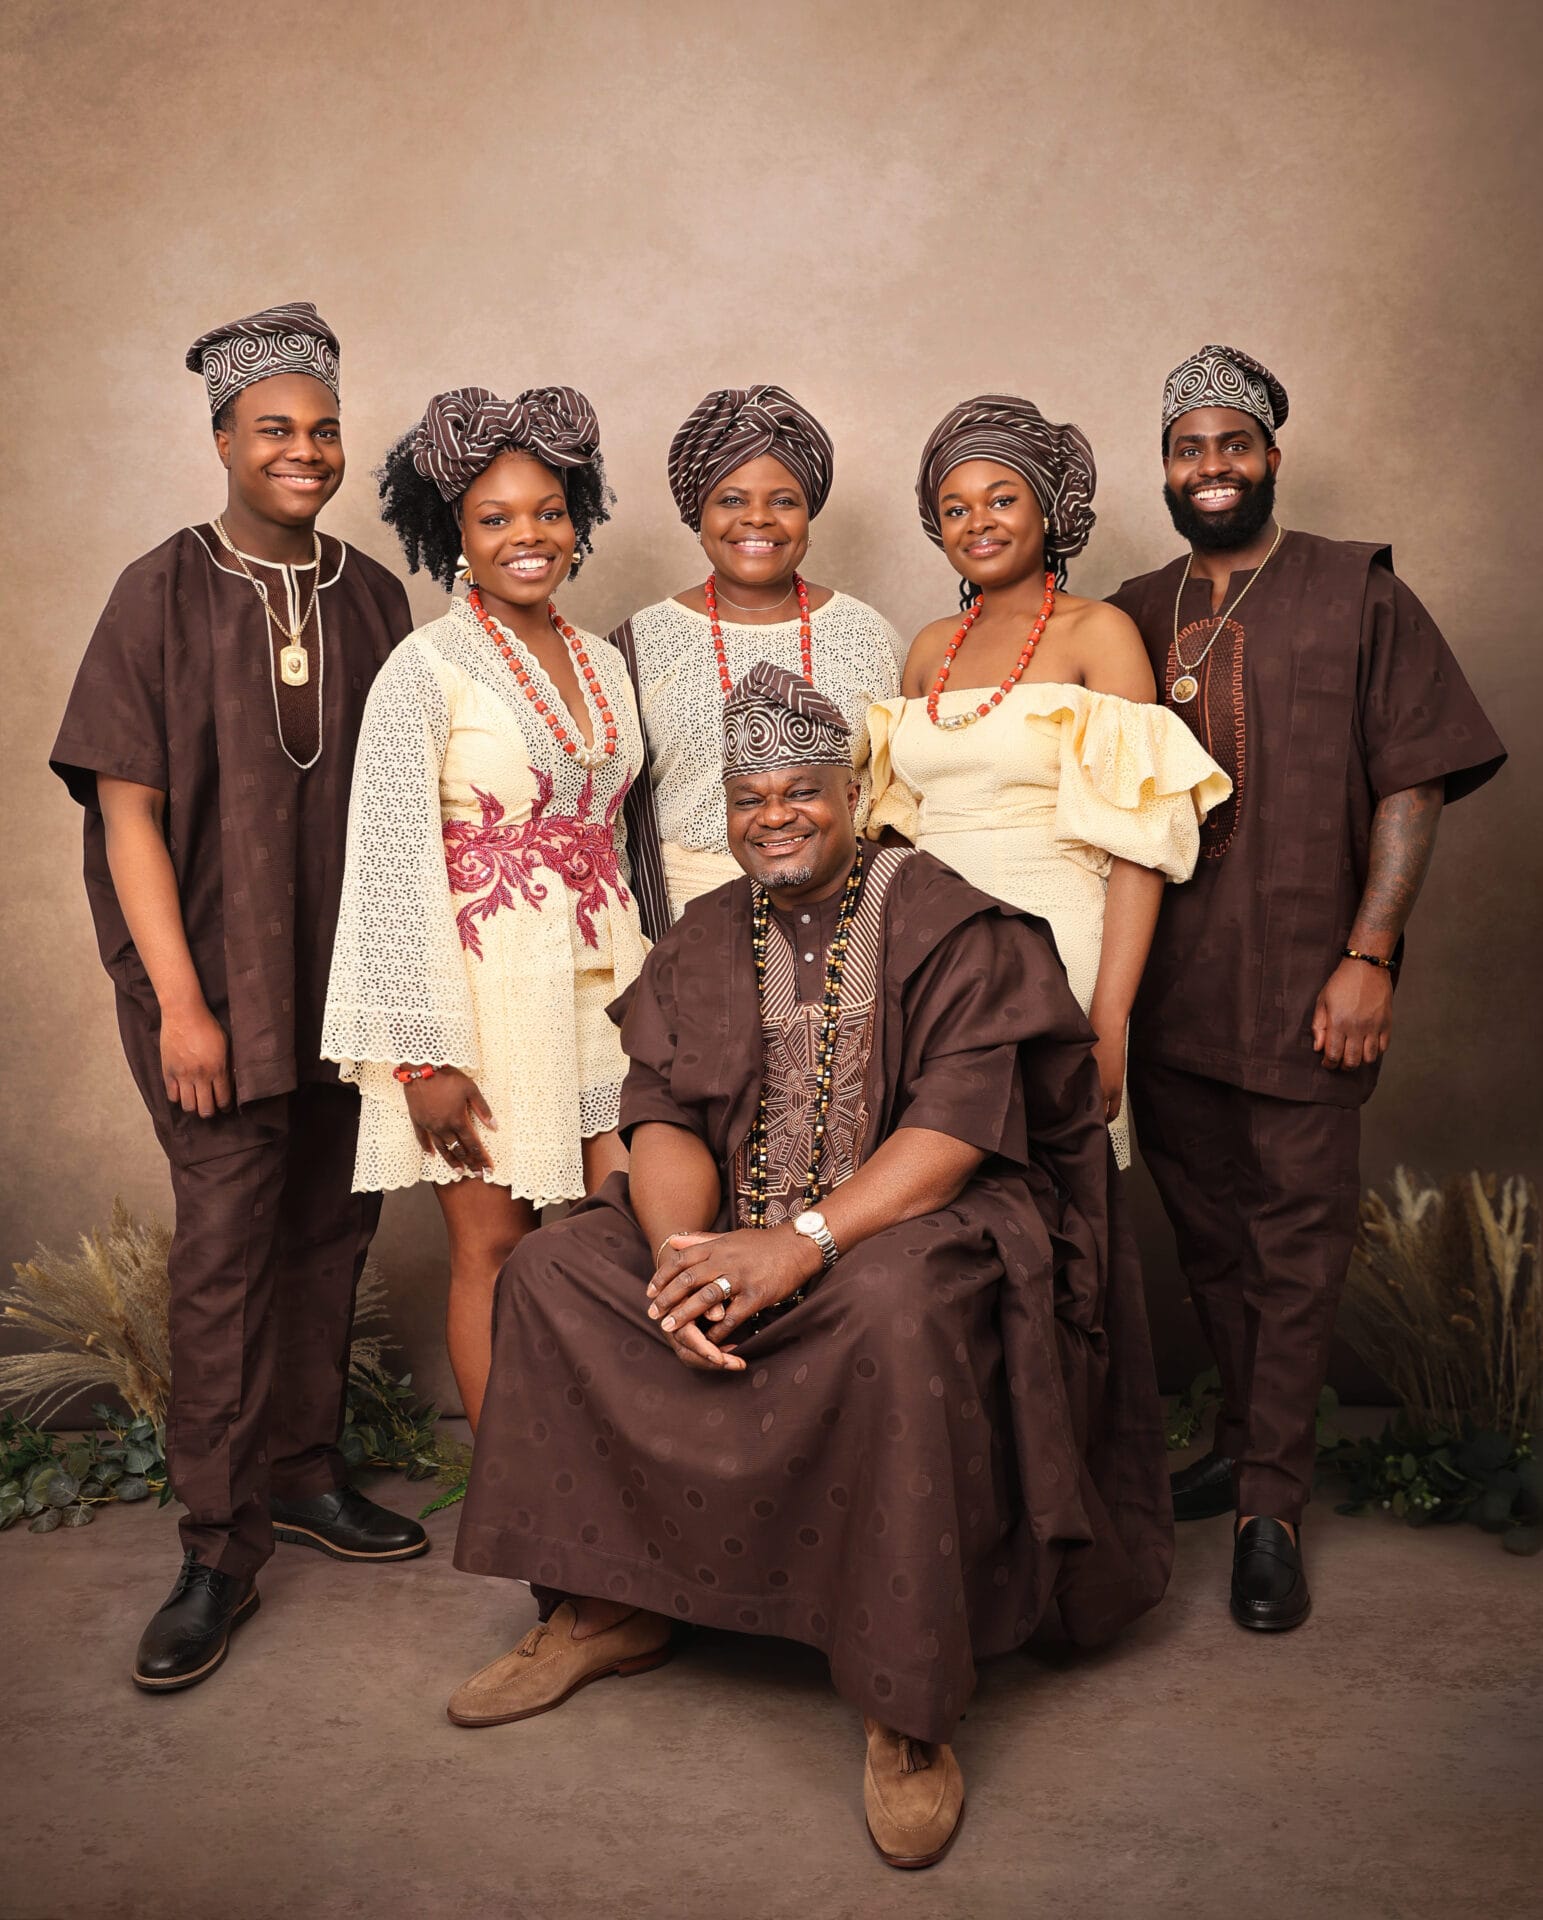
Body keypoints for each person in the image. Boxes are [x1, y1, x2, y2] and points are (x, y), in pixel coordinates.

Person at [449, 662, 1170, 1870]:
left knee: (894, 1311)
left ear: (854, 795)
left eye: (802, 792)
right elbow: (662, 1112)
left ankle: (906, 1704)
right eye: (749, 798)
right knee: (555, 1272)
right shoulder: (701, 936)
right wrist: (688, 1258)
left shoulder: (947, 917)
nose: (774, 816)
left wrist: (798, 1244)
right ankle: (614, 1604)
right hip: (736, 1226)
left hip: (908, 1224)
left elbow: (953, 1131)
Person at [50, 301, 424, 1695]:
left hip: (349, 981)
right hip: (216, 987)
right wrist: (180, 1006)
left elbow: (405, 808)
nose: (305, 451)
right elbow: (128, 811)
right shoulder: (159, 589)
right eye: (275, 428)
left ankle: (305, 1473)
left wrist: (400, 992)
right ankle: (218, 1548)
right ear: (221, 439)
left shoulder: (373, 595)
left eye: (323, 429)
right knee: (224, 1257)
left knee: (332, 1234)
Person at [1109, 343, 1506, 1629]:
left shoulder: (1354, 591)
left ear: (1272, 454)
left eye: (1233, 443)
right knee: (1212, 1240)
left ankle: (1271, 1503)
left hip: (1305, 984)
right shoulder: (1132, 606)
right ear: (1162, 467)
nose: (1209, 468)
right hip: (1167, 991)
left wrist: (1369, 954)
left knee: (1296, 1243)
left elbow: (1413, 778)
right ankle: (1243, 1441)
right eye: (1187, 447)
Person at [321, 386, 647, 1432]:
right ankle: (522, 1504)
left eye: (548, 511)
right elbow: (383, 863)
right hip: (485, 1005)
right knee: (495, 1249)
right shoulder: (423, 670)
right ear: (453, 532)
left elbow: (619, 837)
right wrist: (420, 1057)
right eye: (497, 517)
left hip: (611, 991)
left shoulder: (601, 660)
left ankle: (622, 1479)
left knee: (629, 1228)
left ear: (579, 516)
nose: (527, 536)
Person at [868, 394, 1229, 1167]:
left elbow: (1138, 846)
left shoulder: (1097, 632)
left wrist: (1107, 1021)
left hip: (1057, 940)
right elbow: (899, 828)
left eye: (1002, 498)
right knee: (930, 1188)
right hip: (928, 950)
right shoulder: (930, 648)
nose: (979, 523)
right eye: (955, 508)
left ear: (1047, 509)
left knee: (1047, 1184)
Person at [609, 384, 901, 935]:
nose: (758, 519)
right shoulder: (635, 643)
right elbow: (614, 818)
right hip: (684, 923)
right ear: (699, 512)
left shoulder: (869, 634)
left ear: (809, 514)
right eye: (732, 499)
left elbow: (896, 798)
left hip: (852, 923)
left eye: (783, 501)